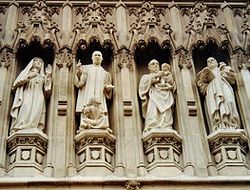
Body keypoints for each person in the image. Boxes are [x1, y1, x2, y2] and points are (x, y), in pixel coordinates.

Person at [197, 57, 240, 132]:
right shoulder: (207, 74)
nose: (210, 62)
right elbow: (202, 88)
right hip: (212, 90)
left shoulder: (222, 69)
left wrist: (224, 69)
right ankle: (219, 125)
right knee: (215, 107)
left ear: (217, 63)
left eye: (212, 60)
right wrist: (203, 78)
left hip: (223, 86)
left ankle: (232, 124)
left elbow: (232, 78)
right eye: (208, 61)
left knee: (229, 102)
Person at [10, 57, 52, 134]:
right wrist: (29, 76)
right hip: (28, 94)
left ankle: (34, 127)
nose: (39, 62)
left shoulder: (42, 76)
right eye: (37, 61)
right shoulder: (26, 73)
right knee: (26, 107)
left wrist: (48, 76)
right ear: (32, 63)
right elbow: (15, 85)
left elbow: (47, 91)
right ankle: (21, 126)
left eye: (40, 61)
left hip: (39, 96)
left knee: (36, 112)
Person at [75, 51, 114, 131]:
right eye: (95, 55)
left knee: (101, 110)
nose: (97, 56)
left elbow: (106, 87)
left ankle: (102, 125)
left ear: (102, 58)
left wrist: (108, 89)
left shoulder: (106, 73)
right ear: (92, 58)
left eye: (99, 55)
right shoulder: (86, 68)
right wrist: (78, 71)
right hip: (87, 96)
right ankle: (84, 125)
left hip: (99, 97)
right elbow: (80, 83)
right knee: (86, 108)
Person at [139, 59, 175, 133]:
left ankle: (166, 125)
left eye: (157, 64)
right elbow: (142, 86)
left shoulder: (164, 75)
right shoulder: (146, 76)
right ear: (149, 67)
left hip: (166, 95)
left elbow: (171, 84)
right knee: (153, 110)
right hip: (154, 95)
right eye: (153, 64)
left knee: (166, 109)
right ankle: (152, 126)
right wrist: (155, 76)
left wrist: (167, 77)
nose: (155, 65)